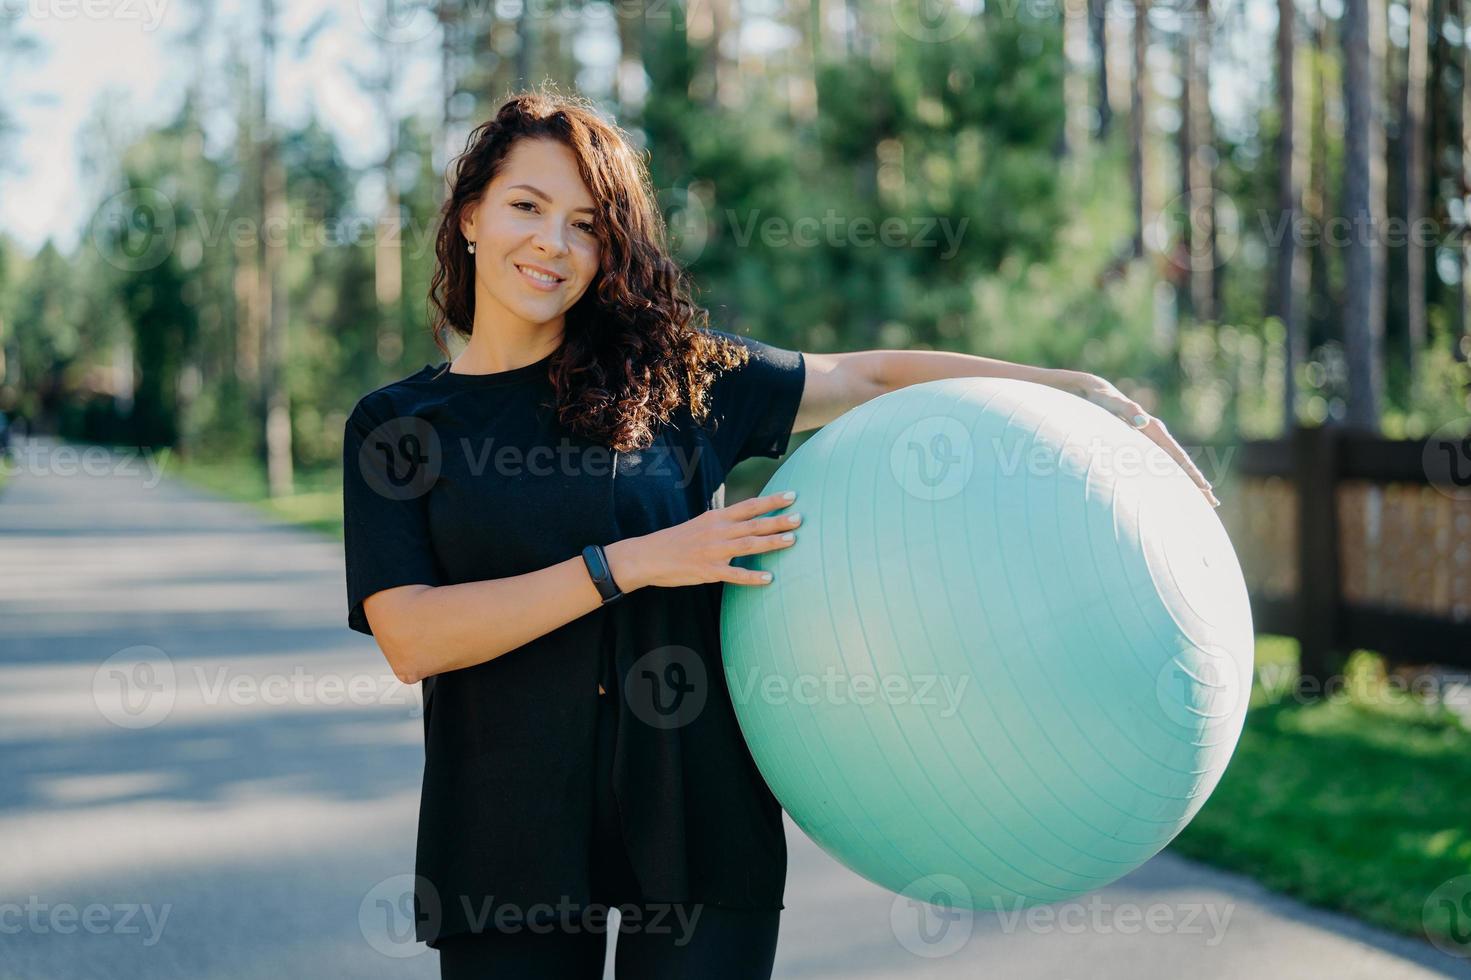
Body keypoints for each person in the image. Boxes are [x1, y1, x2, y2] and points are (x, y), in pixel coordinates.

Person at [342, 88, 1219, 979]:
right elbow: (412, 636)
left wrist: (1075, 390)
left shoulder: (675, 377)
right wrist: (632, 565)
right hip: (505, 841)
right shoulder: (399, 426)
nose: (553, 244)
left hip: (699, 829)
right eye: (527, 207)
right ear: (468, 217)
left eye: (586, 224)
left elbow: (871, 378)